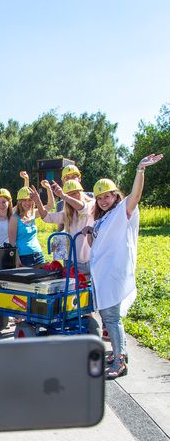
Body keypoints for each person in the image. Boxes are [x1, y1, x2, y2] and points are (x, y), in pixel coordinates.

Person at [82, 153, 163, 378]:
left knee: (111, 318)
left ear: (115, 195)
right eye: (99, 198)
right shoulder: (102, 219)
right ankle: (121, 353)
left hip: (114, 275)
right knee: (109, 317)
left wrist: (140, 170)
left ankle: (119, 362)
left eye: (107, 196)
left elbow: (136, 196)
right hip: (103, 275)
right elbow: (94, 245)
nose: (103, 201)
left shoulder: (122, 211)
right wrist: (90, 232)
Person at [32, 179, 95, 274]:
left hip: (91, 260)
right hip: (73, 262)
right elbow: (47, 217)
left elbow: (82, 208)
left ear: (81, 192)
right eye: (69, 195)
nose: (72, 197)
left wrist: (64, 196)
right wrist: (38, 202)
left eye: (74, 193)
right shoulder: (67, 213)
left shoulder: (92, 204)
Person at [8, 171, 52, 267]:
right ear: (19, 202)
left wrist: (48, 188)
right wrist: (16, 258)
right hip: (24, 257)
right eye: (24, 200)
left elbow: (49, 206)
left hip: (39, 255)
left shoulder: (33, 213)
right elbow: (12, 242)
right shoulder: (14, 218)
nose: (27, 203)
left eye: (29, 200)